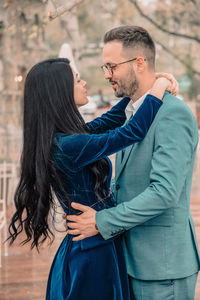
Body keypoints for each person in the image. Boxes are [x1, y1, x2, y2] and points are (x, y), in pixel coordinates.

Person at [7, 57, 174, 300]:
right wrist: (158, 87)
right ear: (60, 91)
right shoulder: (69, 145)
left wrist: (141, 87)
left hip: (92, 238)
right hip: (93, 248)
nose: (84, 82)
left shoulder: (63, 139)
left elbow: (110, 120)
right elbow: (132, 131)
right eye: (77, 79)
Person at [66, 26, 200, 300]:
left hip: (162, 269)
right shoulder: (131, 112)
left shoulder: (173, 114)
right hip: (130, 261)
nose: (106, 75)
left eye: (111, 66)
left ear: (139, 62)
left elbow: (164, 192)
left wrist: (102, 221)